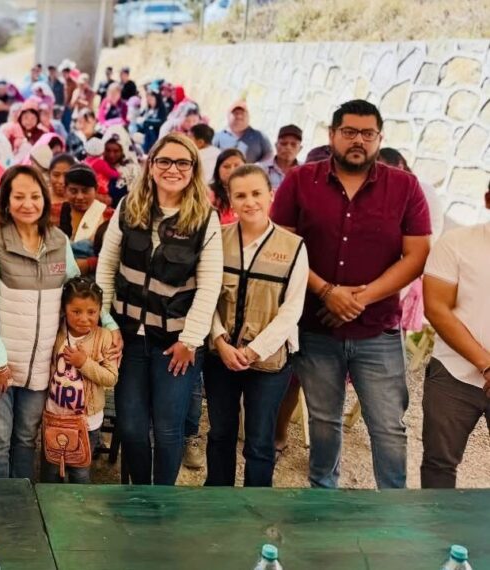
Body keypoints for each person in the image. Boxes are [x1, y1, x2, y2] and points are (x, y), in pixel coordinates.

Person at [269, 99, 431, 490]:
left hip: (377, 330)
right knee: (324, 421)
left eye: (367, 133)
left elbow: (417, 254)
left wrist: (360, 298)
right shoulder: (300, 181)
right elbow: (279, 246)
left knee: (388, 425)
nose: (358, 140)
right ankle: (323, 499)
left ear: (379, 138)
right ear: (332, 135)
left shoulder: (405, 186)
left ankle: (390, 504)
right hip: (315, 327)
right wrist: (326, 291)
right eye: (349, 132)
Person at [95, 133, 222, 486]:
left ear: (193, 169)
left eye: (183, 162)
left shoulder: (204, 219)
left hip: (175, 343)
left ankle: (162, 496)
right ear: (151, 165)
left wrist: (191, 340)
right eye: (164, 160)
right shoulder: (128, 208)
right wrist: (107, 323)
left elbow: (209, 284)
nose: (173, 169)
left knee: (168, 427)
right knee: (132, 425)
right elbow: (107, 268)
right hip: (128, 336)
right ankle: (139, 492)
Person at [0, 165, 91, 479]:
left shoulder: (58, 241)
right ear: (6, 201)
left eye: (35, 196)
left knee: (26, 438)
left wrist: (108, 326)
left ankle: (21, 506)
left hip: (40, 366)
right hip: (0, 367)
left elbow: (78, 293)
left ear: (46, 200)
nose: (28, 203)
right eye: (19, 196)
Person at [204, 165, 308, 488]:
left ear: (271, 196)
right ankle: (218, 496)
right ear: (230, 201)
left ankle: (255, 503)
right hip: (220, 356)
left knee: (260, 439)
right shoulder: (216, 241)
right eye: (241, 195)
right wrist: (220, 340)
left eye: (256, 193)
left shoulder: (294, 247)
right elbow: (205, 294)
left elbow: (292, 309)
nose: (249, 202)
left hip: (269, 361)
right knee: (220, 431)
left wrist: (253, 350)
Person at [420, 184, 490, 488]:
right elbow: (436, 308)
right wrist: (486, 364)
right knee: (439, 463)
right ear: (488, 199)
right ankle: (437, 534)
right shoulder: (456, 243)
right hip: (453, 372)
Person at [41, 277, 119, 483]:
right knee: (50, 468)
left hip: (87, 422)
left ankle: (78, 508)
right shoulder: (56, 333)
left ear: (100, 311)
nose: (84, 318)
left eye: (91, 312)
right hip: (54, 416)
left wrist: (84, 363)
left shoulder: (104, 337)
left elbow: (111, 378)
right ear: (64, 309)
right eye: (76, 312)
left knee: (80, 470)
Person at [58, 164, 108, 275]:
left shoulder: (108, 215)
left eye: (85, 191)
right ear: (65, 190)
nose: (80, 197)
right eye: (74, 191)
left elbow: (115, 255)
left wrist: (90, 263)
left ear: (96, 190)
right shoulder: (55, 212)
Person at [209, 148, 246, 225]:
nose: (232, 170)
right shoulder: (208, 194)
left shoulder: (255, 191)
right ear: (217, 170)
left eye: (237, 165)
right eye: (226, 166)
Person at [264, 125, 303, 190]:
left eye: (294, 144)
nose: (288, 147)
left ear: (300, 149)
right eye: (284, 143)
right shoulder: (261, 169)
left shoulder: (305, 172)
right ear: (276, 145)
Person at [46, 153, 77, 225]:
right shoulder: (40, 195)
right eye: (56, 175)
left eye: (66, 175)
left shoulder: (81, 198)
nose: (61, 181)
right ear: (49, 174)